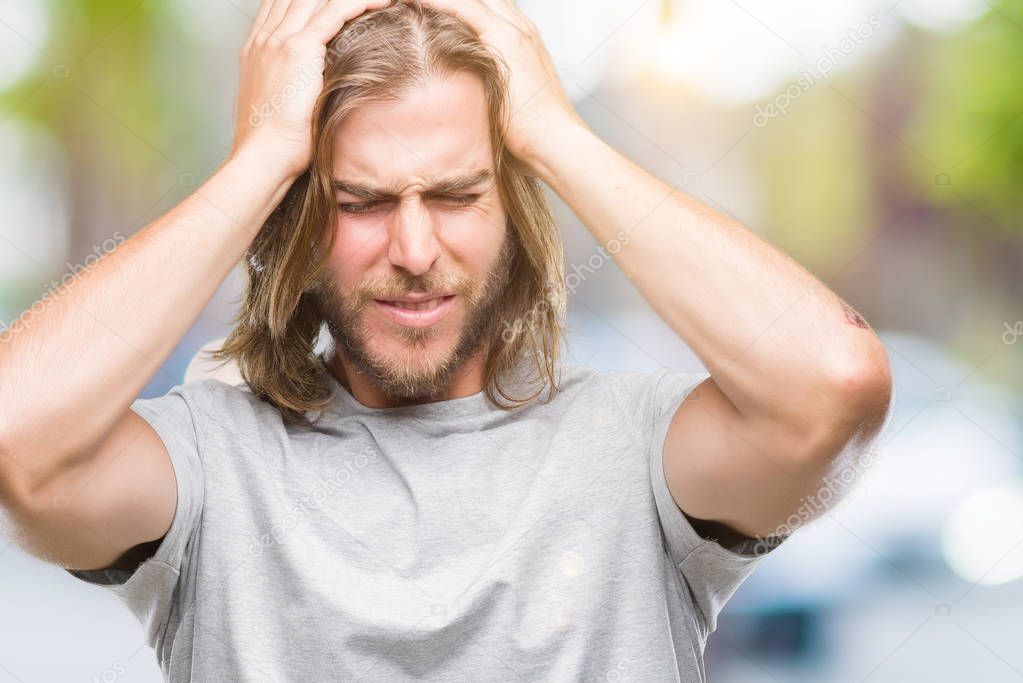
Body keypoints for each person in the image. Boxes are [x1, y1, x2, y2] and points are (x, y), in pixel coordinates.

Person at [0, 0, 894, 680]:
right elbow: (16, 437)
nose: (415, 250)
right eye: (362, 202)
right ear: (299, 222)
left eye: (459, 195)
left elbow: (834, 381)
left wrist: (550, 129)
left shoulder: (638, 453)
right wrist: (262, 155)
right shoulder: (209, 461)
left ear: (513, 211)